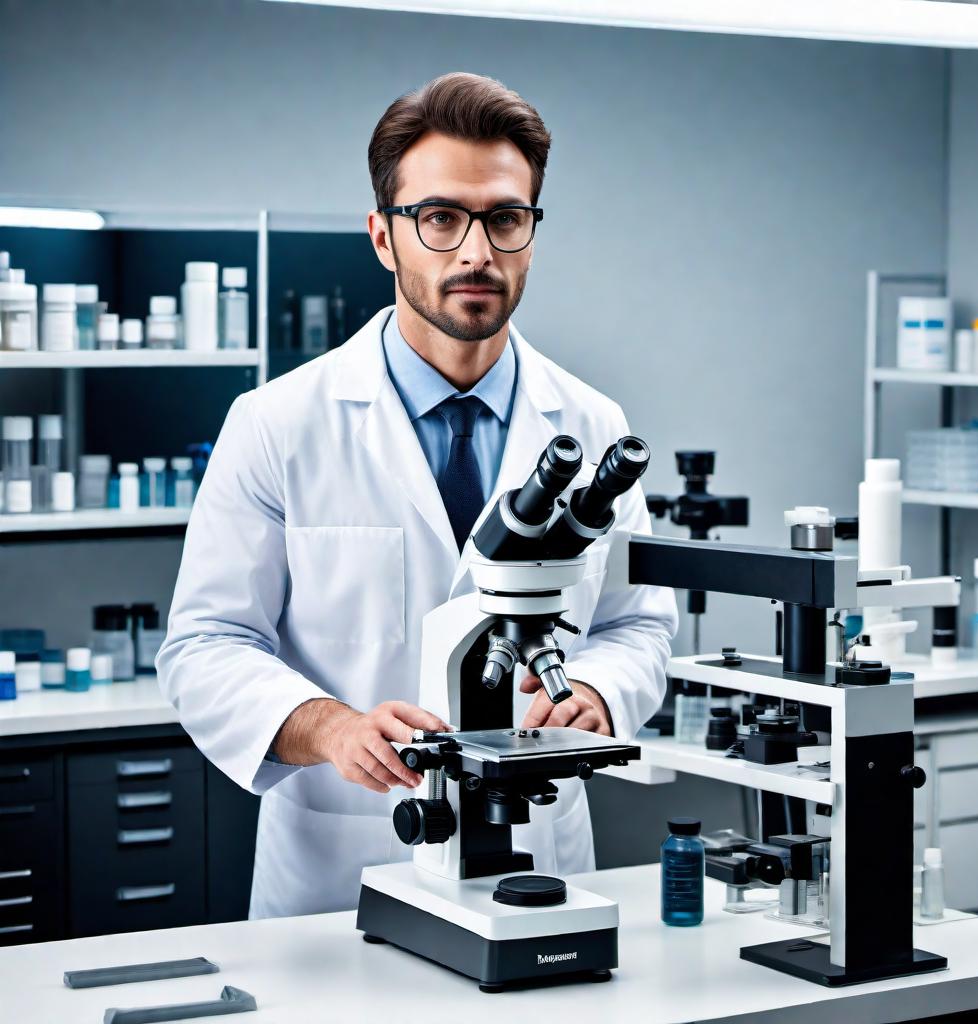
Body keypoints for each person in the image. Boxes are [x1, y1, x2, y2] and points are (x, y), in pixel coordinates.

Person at [157, 72, 677, 918]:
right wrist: (327, 726)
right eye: (439, 218)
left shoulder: (590, 418)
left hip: (538, 855)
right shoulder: (278, 423)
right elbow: (206, 644)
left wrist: (600, 691)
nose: (475, 252)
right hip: (340, 873)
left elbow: (637, 623)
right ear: (383, 237)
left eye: (505, 219)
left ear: (532, 237)